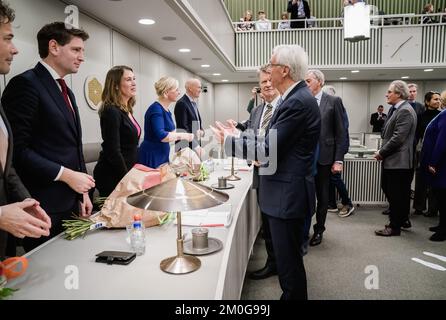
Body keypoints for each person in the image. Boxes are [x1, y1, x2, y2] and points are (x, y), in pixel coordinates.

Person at [212, 44, 321, 300]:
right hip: (286, 192)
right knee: (287, 262)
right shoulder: (294, 99)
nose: (267, 70)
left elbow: (267, 150)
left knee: (290, 265)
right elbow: (268, 145)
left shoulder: (297, 102)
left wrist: (228, 141)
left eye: (271, 65)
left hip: (287, 195)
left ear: (284, 70)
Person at [2, 22, 94, 252]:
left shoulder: (66, 91)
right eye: (76, 50)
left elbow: (73, 147)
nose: (82, 57)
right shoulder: (25, 84)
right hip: (44, 204)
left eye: (82, 51)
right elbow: (18, 151)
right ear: (54, 47)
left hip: (72, 201)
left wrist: (83, 193)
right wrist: (66, 175)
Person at [0, 0, 51, 260]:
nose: (15, 49)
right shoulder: (26, 85)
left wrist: (28, 202)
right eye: (8, 38)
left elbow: (5, 168)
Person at [228, 65, 280, 280]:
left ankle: (283, 263)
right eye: (263, 82)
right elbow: (251, 136)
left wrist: (231, 142)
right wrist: (237, 133)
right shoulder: (257, 111)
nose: (267, 85)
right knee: (267, 224)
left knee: (280, 229)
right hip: (261, 176)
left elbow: (275, 147)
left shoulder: (286, 108)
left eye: (270, 80)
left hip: (279, 177)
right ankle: (272, 262)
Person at [305, 69, 347, 246]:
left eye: (308, 81)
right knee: (306, 197)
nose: (305, 84)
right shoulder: (303, 101)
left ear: (319, 82)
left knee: (323, 197)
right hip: (305, 158)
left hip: (324, 158)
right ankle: (303, 230)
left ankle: (319, 230)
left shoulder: (333, 101)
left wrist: (338, 159)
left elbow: (341, 132)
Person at [374, 80, 417, 237]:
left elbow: (398, 138)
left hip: (399, 161)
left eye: (390, 91)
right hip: (394, 160)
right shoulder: (396, 109)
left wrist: (381, 152)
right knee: (395, 192)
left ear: (399, 94)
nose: (387, 94)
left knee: (396, 194)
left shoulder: (405, 110)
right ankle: (402, 219)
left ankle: (394, 226)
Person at [93, 66, 141, 198]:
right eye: (128, 79)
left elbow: (130, 147)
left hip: (126, 172)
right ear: (116, 85)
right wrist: (126, 179)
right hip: (113, 175)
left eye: (134, 79)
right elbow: (113, 150)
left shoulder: (127, 109)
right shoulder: (111, 111)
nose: (133, 83)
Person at [138, 76, 193, 168]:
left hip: (162, 153)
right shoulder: (156, 109)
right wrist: (184, 136)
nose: (179, 92)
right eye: (176, 90)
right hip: (153, 154)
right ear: (166, 92)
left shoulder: (165, 110)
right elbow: (162, 136)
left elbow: (171, 132)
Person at [413, 91, 441, 217]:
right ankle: (419, 206)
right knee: (421, 181)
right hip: (422, 151)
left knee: (435, 181)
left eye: (439, 99)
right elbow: (416, 135)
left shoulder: (441, 116)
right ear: (427, 101)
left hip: (437, 152)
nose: (438, 101)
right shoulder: (421, 116)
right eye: (435, 99)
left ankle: (433, 209)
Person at [420, 107, 446, 241]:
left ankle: (443, 230)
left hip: (441, 164)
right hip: (440, 163)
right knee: (440, 196)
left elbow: (442, 141)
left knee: (443, 197)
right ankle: (442, 224)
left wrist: (433, 162)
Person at [174, 78, 204, 156]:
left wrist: (202, 131)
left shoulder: (193, 103)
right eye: (198, 87)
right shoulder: (182, 103)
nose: (200, 90)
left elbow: (197, 125)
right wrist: (196, 146)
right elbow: (183, 129)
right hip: (185, 147)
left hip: (194, 145)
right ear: (190, 88)